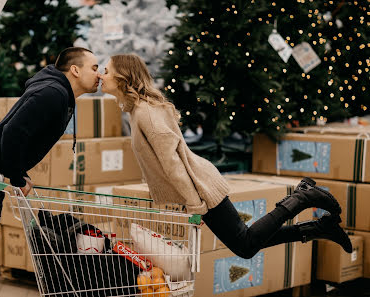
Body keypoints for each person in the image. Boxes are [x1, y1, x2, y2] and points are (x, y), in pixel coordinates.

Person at [99, 53, 352, 260]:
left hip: (199, 187)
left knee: (246, 244)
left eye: (107, 71)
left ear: (123, 78)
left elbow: (172, 164)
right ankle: (318, 227)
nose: (102, 75)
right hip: (195, 185)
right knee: (245, 244)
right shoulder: (137, 110)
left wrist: (194, 206)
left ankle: (301, 198)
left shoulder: (146, 114)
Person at [0, 47, 100, 297]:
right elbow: (13, 133)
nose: (99, 74)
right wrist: (16, 176)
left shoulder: (59, 93)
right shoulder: (53, 93)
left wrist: (17, 173)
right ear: (75, 70)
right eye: (95, 67)